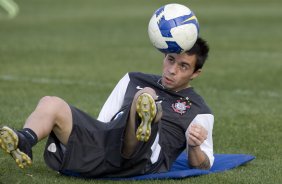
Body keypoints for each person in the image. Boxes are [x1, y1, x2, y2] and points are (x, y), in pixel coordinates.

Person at [0, 37, 214, 178]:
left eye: (183, 66)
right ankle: (25, 139)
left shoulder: (198, 109)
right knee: (51, 102)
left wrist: (194, 146)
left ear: (196, 74)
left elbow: (204, 165)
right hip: (109, 144)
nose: (172, 70)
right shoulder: (133, 78)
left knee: (146, 96)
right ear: (164, 56)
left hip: (145, 159)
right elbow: (104, 122)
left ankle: (146, 116)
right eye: (170, 60)